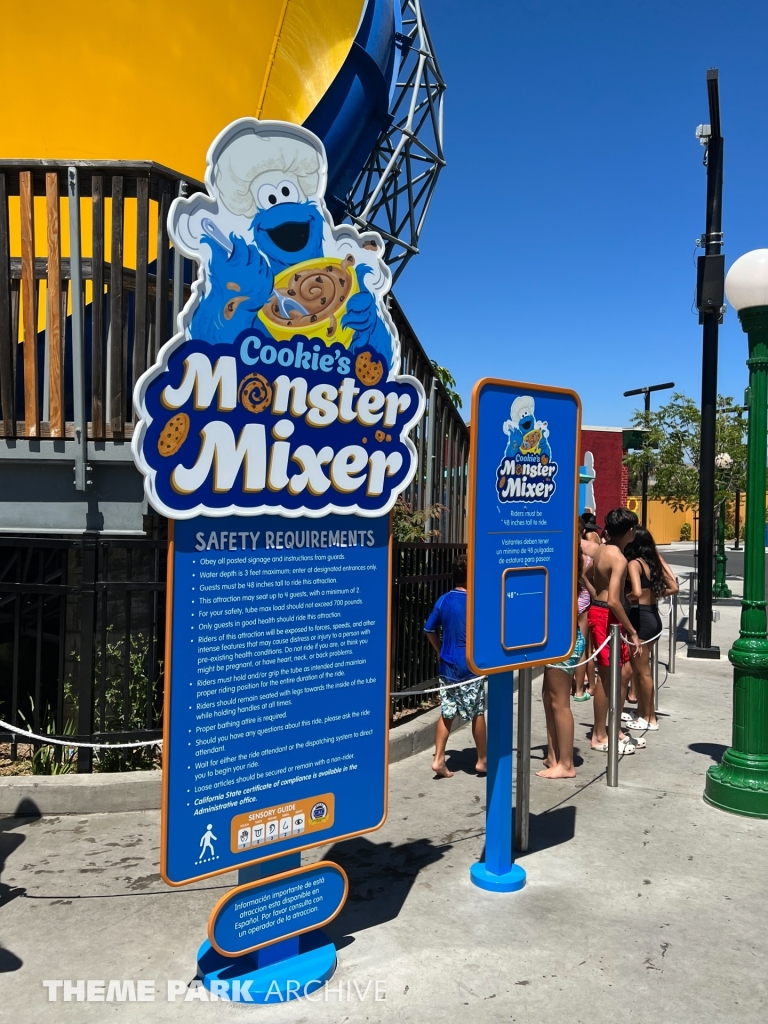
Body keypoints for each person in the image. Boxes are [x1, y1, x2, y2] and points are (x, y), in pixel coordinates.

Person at [424, 556, 487, 779]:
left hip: (447, 665)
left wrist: (439, 649)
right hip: (469, 666)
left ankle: (439, 758)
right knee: (477, 711)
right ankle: (482, 759)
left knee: (447, 711)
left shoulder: (444, 600)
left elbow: (429, 629)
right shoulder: (476, 601)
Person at [587, 508, 642, 753]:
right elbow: (614, 600)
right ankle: (599, 734)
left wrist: (593, 593)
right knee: (607, 678)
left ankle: (614, 728)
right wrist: (632, 632)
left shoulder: (602, 551)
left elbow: (586, 575)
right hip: (607, 617)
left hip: (602, 614)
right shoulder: (618, 558)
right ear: (630, 530)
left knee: (624, 673)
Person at [624, 526, 678, 733]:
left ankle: (650, 717)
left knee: (642, 671)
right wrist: (654, 593)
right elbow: (674, 587)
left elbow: (636, 592)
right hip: (653, 615)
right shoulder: (652, 563)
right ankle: (642, 711)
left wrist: (624, 598)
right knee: (640, 670)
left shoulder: (634, 564)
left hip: (641, 617)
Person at [539, 540, 586, 779]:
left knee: (559, 703)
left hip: (562, 644)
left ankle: (566, 764)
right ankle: (553, 755)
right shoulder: (570, 574)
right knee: (548, 698)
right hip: (560, 641)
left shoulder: (563, 577)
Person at [573, 518, 599, 701]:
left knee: (565, 646)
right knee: (582, 647)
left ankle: (567, 684)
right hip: (583, 599)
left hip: (567, 600)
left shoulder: (563, 550)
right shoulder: (591, 550)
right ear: (583, 531)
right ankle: (580, 690)